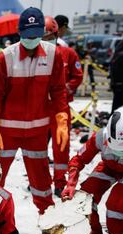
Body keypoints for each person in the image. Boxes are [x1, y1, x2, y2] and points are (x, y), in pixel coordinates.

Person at [0, 7, 68, 234]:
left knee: (42, 182)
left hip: (37, 131)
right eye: (27, 35)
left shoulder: (54, 55)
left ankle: (48, 223)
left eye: (35, 35)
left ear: (42, 32)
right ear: (19, 32)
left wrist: (61, 119)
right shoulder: (6, 56)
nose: (31, 39)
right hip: (7, 131)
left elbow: (59, 91)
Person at [62, 106, 123, 234]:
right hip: (108, 167)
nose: (122, 153)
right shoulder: (100, 136)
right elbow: (79, 159)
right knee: (84, 198)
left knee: (118, 203)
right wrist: (70, 184)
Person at [44, 16, 83, 192]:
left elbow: (78, 76)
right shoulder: (32, 56)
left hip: (60, 108)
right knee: (37, 149)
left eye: (49, 36)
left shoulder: (67, 54)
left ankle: (60, 183)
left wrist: (67, 87)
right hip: (39, 109)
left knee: (61, 146)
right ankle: (40, 181)